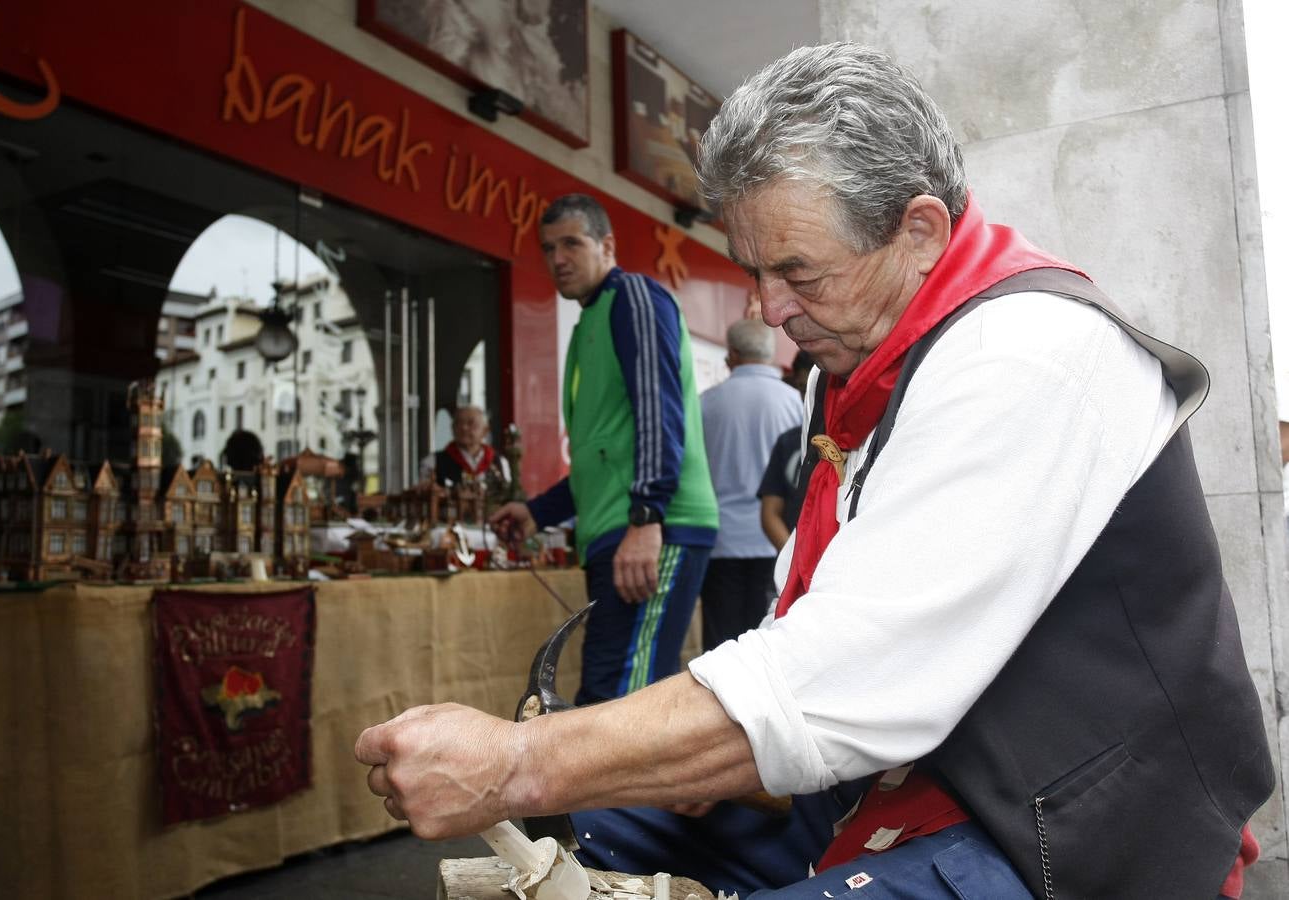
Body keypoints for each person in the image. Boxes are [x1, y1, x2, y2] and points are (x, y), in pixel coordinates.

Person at [356, 44, 1273, 899]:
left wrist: (517, 760)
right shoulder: (857, 363)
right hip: (919, 774)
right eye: (754, 272)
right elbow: (808, 608)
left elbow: (847, 679)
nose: (769, 309)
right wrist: (693, 760)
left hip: (1073, 824)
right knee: (612, 823)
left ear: (919, 230)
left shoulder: (1026, 354)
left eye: (798, 271)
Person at [487, 193, 718, 705]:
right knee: (606, 696)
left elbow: (659, 413)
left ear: (606, 245)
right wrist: (537, 510)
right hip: (621, 530)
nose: (558, 259)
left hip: (651, 527)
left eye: (572, 243)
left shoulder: (631, 296)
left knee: (621, 704)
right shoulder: (590, 322)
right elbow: (603, 454)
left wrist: (646, 516)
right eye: (548, 248)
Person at [698, 319, 803, 650]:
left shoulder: (706, 403)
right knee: (770, 645)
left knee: (720, 647)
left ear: (732, 354)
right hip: (779, 543)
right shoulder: (795, 402)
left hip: (722, 540)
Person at [757, 351, 815, 552]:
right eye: (802, 388)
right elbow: (770, 513)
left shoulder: (857, 439)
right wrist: (793, 559)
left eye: (815, 386)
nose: (808, 396)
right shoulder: (789, 441)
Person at [420, 404, 511, 487]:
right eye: (458, 423)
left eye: (471, 423)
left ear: (485, 431)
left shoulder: (500, 462)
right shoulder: (433, 462)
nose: (464, 428)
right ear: (452, 428)